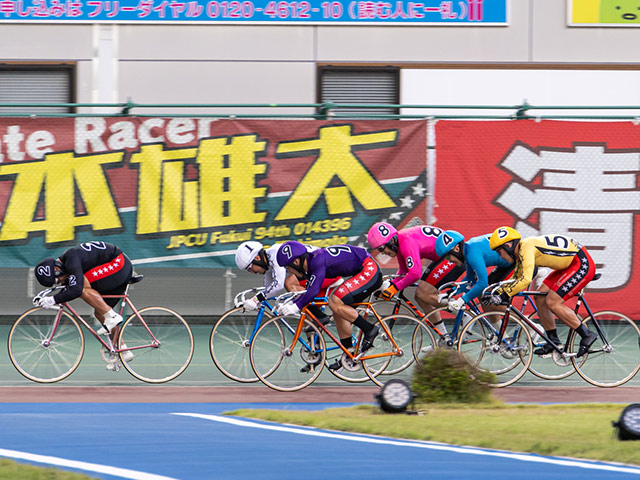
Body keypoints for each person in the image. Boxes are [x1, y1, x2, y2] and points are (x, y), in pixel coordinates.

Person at [487, 226, 598, 358]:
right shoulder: (521, 252)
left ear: (508, 245)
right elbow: (515, 278)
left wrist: (505, 294)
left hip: (580, 263)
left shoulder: (526, 248)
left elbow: (525, 280)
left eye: (500, 252)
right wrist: (497, 291)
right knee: (539, 297)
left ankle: (587, 334)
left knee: (552, 301)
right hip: (567, 266)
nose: (501, 257)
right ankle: (553, 341)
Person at [276, 241, 383, 370]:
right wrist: (291, 303)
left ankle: (370, 329)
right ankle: (349, 353)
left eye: (287, 267)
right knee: (338, 311)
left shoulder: (316, 262)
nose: (288, 271)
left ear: (296, 262)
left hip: (369, 269)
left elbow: (314, 291)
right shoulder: (311, 263)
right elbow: (308, 292)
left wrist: (295, 307)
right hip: (363, 269)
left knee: (334, 301)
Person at [33, 241, 135, 370]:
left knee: (81, 288)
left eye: (57, 279)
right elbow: (69, 286)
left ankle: (112, 315)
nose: (61, 282)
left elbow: (75, 289)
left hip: (118, 263)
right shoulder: (68, 263)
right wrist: (46, 295)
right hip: (115, 265)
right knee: (99, 312)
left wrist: (53, 300)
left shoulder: (71, 259)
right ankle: (124, 351)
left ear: (56, 269)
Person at [366, 222, 465, 338]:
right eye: (379, 250)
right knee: (420, 297)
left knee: (423, 293)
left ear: (391, 241)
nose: (383, 253)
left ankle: (462, 312)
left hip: (452, 257)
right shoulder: (400, 241)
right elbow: (403, 272)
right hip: (444, 257)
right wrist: (390, 285)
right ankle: (444, 336)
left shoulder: (406, 242)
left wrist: (394, 288)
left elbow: (415, 273)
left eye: (382, 248)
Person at [434, 230, 514, 313]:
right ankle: (497, 326)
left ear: (456, 249)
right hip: (505, 266)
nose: (449, 261)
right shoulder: (469, 250)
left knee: (498, 305)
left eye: (447, 257)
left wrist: (462, 300)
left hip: (513, 263)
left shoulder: (472, 255)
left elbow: (482, 284)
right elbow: (470, 278)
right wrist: (450, 293)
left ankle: (524, 324)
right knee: (485, 295)